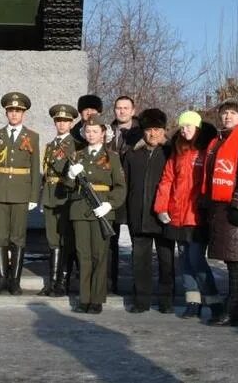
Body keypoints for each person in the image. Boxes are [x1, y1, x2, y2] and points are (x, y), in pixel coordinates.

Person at [154, 111, 221, 319]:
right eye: (182, 127)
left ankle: (213, 301)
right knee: (184, 260)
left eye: (189, 127)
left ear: (197, 128)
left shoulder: (207, 151)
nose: (185, 130)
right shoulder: (178, 151)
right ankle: (193, 302)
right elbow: (167, 180)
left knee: (196, 259)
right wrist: (161, 207)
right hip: (177, 214)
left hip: (197, 215)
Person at [201, 99, 238, 326]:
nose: (227, 117)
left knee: (237, 262)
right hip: (220, 208)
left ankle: (234, 308)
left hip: (237, 210)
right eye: (225, 113)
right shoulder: (218, 141)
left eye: (233, 114)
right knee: (231, 260)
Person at [65, 115, 127, 314]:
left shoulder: (112, 157)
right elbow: (67, 187)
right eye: (88, 131)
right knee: (83, 255)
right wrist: (70, 175)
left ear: (103, 134)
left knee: (99, 256)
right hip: (80, 210)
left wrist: (110, 205)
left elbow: (120, 186)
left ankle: (97, 298)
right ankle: (84, 298)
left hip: (102, 211)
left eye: (95, 131)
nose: (91, 134)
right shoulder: (77, 155)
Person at [0, 92, 41, 295]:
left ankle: (15, 280)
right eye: (11, 111)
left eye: (18, 111)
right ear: (6, 113)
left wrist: (34, 196)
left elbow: (35, 168)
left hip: (21, 191)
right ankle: (1, 279)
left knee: (18, 238)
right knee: (0, 237)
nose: (14, 114)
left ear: (23, 114)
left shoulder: (32, 137)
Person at [123, 108, 174, 313]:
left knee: (166, 261)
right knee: (140, 262)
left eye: (157, 129)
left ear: (164, 130)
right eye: (149, 130)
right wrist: (125, 215)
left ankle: (166, 301)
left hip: (165, 217)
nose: (153, 134)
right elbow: (125, 185)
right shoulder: (132, 154)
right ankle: (141, 301)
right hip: (139, 216)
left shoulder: (171, 153)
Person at [38, 104, 79, 297]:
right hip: (50, 195)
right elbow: (46, 173)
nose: (61, 124)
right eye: (58, 121)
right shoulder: (50, 145)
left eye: (65, 121)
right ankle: (52, 281)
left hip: (65, 196)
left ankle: (63, 282)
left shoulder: (76, 145)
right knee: (52, 241)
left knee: (65, 240)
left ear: (71, 123)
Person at [107, 95, 143, 294]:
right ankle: (110, 284)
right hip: (113, 192)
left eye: (125, 108)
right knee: (110, 239)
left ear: (133, 110)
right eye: (118, 108)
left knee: (138, 242)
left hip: (135, 193)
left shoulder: (143, 133)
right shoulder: (108, 132)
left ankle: (139, 286)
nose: (121, 111)